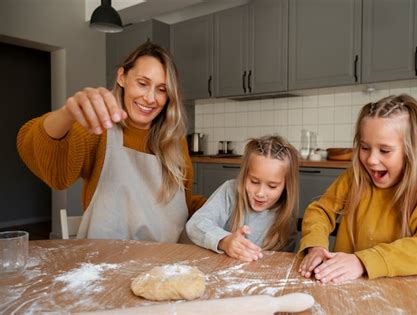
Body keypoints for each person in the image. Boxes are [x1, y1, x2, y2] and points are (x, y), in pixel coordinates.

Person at [17, 41, 205, 241]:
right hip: (106, 260)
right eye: (142, 83)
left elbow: (181, 206)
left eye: (161, 89)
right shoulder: (99, 128)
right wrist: (67, 114)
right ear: (122, 77)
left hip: (167, 264)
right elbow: (57, 175)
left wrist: (228, 205)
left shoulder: (175, 141)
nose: (151, 98)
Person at [298, 94, 417, 283]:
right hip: (350, 289)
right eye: (365, 147)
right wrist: (316, 246)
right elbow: (320, 211)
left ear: (413, 151)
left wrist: (363, 262)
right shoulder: (355, 178)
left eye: (385, 150)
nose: (371, 159)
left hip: (406, 295)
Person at [186, 135, 300, 261]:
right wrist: (225, 241)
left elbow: (281, 261)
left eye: (272, 186)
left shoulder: (286, 215)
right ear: (245, 175)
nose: (260, 193)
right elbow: (195, 224)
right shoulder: (230, 191)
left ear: (286, 186)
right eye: (254, 181)